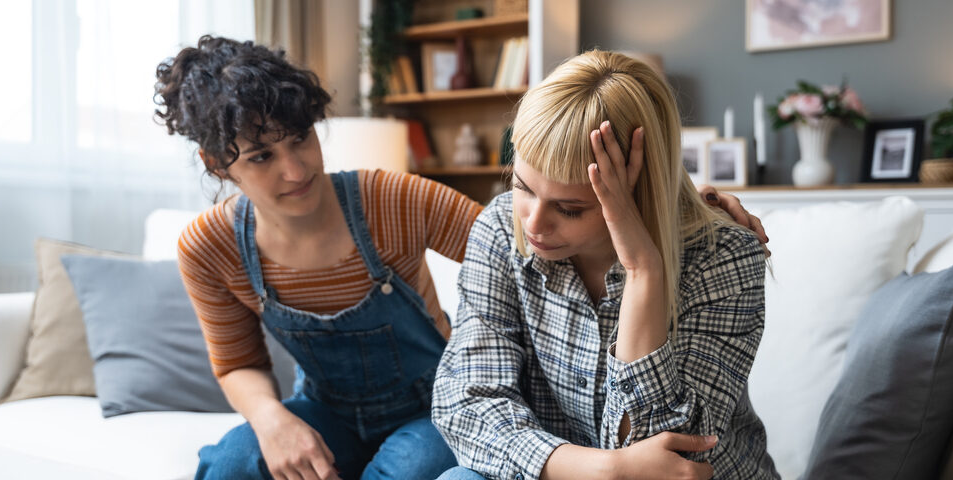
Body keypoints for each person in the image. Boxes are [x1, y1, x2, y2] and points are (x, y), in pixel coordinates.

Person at [155, 35, 768, 480]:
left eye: (300, 140)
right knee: (234, 461)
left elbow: (670, 458)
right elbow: (238, 362)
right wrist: (271, 419)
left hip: (426, 404)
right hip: (332, 405)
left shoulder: (386, 197)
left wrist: (661, 240)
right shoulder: (208, 247)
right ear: (218, 165)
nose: (295, 169)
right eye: (261, 157)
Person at [432, 50, 779, 480]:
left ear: (638, 191)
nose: (534, 222)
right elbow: (468, 403)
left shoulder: (723, 256)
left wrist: (643, 270)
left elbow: (673, 461)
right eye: (523, 186)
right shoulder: (501, 229)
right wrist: (606, 469)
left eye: (570, 208)